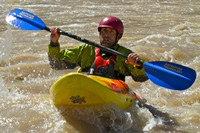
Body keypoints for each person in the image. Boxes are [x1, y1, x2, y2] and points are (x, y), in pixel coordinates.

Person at [48, 16, 148, 82]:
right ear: (100, 32)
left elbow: (141, 77)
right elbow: (55, 63)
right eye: (104, 31)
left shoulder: (125, 54)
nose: (107, 35)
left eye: (111, 32)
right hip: (86, 87)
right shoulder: (86, 49)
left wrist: (138, 65)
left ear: (119, 36)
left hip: (112, 90)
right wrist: (54, 43)